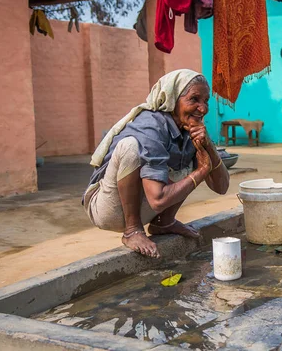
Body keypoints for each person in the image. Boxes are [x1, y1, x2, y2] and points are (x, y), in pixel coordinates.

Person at [83, 69, 229, 258]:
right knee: (130, 147)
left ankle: (164, 222)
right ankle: (132, 230)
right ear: (172, 98)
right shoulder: (151, 125)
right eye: (194, 99)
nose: (203, 109)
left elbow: (222, 187)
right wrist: (201, 171)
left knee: (192, 151)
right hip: (107, 208)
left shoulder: (189, 129)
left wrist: (208, 145)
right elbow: (157, 199)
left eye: (205, 101)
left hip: (147, 208)